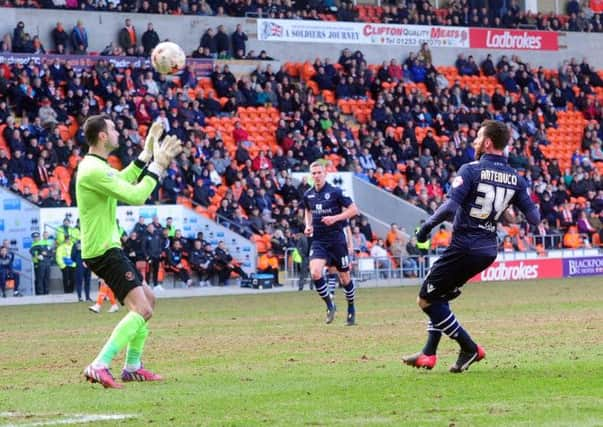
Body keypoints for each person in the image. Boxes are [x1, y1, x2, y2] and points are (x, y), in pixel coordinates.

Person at [403, 120, 541, 373]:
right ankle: (428, 353)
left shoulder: (471, 170)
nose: (475, 141)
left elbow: (449, 209)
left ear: (488, 142)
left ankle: (469, 347)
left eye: (478, 137)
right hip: (487, 250)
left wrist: (425, 228)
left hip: (464, 245)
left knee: (425, 299)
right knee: (439, 296)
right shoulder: (516, 178)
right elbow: (533, 218)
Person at [76, 115, 182, 388]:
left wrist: (146, 153)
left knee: (148, 299)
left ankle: (132, 366)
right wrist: (158, 166)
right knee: (142, 308)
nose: (117, 132)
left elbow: (122, 179)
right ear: (102, 136)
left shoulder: (97, 166)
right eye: (112, 129)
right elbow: (135, 195)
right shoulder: (93, 169)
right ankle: (99, 364)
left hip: (106, 248)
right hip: (103, 250)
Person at [304, 161, 359, 325]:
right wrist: (308, 225)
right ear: (311, 175)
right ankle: (330, 305)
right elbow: (307, 210)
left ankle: (351, 308)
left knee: (345, 277)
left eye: (319, 172)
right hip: (319, 240)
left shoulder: (335, 192)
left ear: (325, 173)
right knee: (315, 273)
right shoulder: (308, 194)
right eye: (313, 173)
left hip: (336, 240)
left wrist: (335, 218)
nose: (316, 176)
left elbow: (354, 210)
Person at [30, 231, 53, 295]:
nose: (36, 238)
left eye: (37, 237)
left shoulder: (45, 243)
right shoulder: (34, 244)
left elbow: (50, 253)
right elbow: (31, 251)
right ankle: (40, 293)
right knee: (40, 279)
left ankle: (47, 292)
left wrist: (45, 254)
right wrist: (37, 256)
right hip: (39, 263)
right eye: (34, 237)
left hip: (46, 263)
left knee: (47, 278)